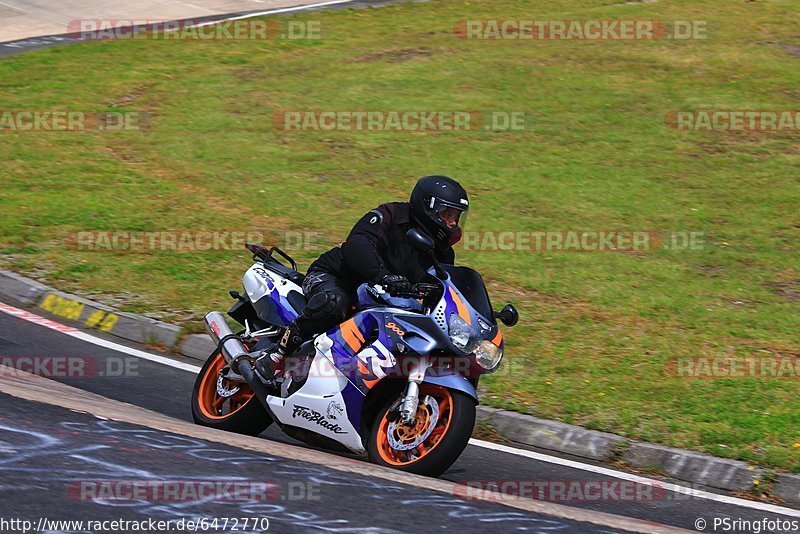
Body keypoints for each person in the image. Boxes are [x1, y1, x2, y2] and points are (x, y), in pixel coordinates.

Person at [254, 175, 469, 382]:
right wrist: (382, 275)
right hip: (335, 277)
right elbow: (358, 243)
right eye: (446, 214)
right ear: (427, 207)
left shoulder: (442, 253)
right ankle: (277, 355)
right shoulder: (392, 215)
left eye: (456, 216)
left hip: (381, 301)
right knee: (334, 302)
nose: (452, 223)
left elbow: (443, 288)